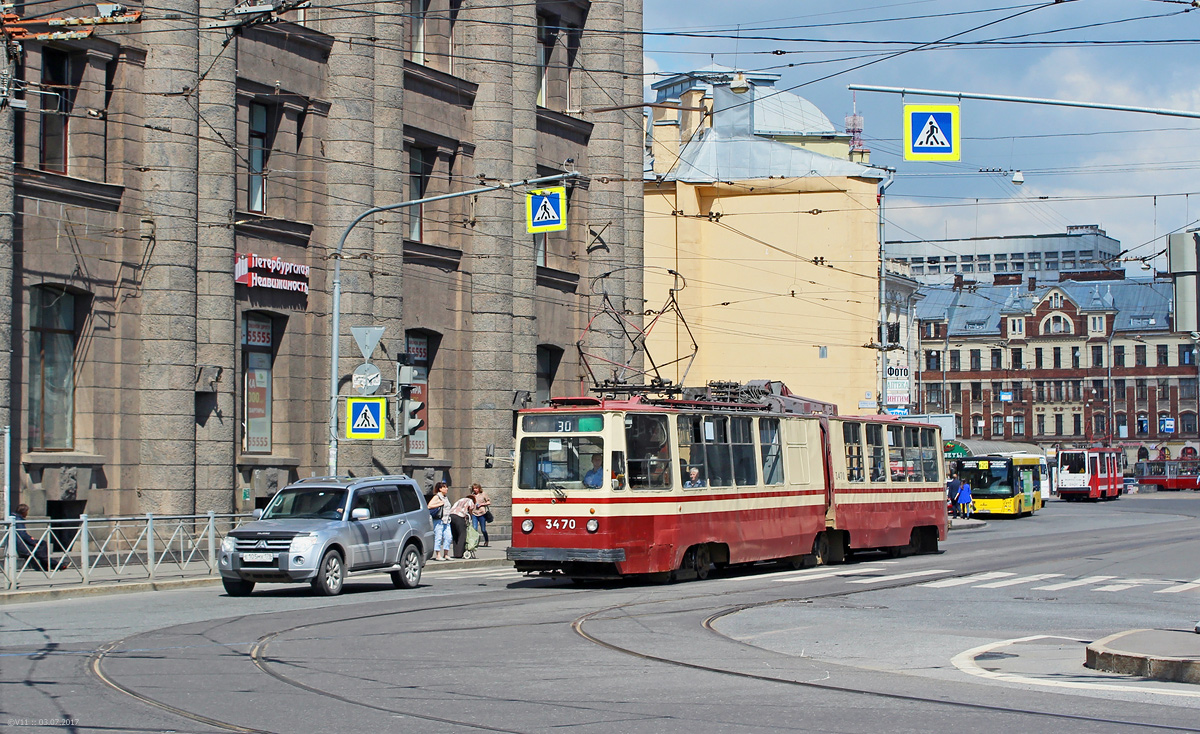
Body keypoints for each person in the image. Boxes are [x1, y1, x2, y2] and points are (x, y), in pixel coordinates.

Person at [14, 503, 50, 571]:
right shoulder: (18, 520)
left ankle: (50, 565)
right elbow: (22, 534)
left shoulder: (16, 518)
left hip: (20, 542)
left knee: (41, 545)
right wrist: (33, 542)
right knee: (41, 546)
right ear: (23, 512)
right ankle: (51, 564)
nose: (27, 513)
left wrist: (30, 538)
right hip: (21, 545)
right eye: (27, 511)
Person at [448, 492, 476, 559]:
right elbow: (471, 510)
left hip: (451, 516)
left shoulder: (460, 500)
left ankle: (456, 553)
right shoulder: (470, 500)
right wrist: (470, 516)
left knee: (455, 535)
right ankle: (459, 553)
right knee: (462, 535)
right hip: (459, 517)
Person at [428, 482, 452, 561]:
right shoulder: (437, 497)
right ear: (440, 489)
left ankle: (446, 554)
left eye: (446, 487)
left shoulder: (445, 497)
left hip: (446, 520)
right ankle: (438, 555)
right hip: (439, 520)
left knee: (448, 537)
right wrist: (439, 503)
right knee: (438, 537)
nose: (446, 489)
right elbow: (429, 506)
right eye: (444, 487)